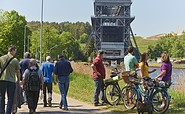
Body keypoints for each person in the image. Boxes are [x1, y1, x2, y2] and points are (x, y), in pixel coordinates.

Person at [0, 46, 21, 114]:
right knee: (10, 98)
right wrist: (18, 79)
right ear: (12, 51)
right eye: (15, 51)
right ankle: (8, 112)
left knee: (1, 96)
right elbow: (18, 71)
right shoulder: (15, 60)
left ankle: (1, 111)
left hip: (2, 80)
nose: (15, 52)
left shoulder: (1, 58)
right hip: (11, 80)